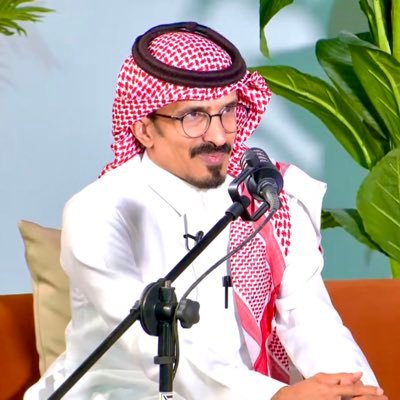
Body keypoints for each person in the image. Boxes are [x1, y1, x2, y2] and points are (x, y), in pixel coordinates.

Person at [25, 22, 388, 400]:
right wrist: (274, 396)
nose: (217, 136)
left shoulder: (264, 196)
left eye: (226, 111)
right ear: (144, 129)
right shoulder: (99, 211)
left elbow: (308, 316)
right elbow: (147, 340)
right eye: (193, 116)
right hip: (119, 392)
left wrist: (356, 387)